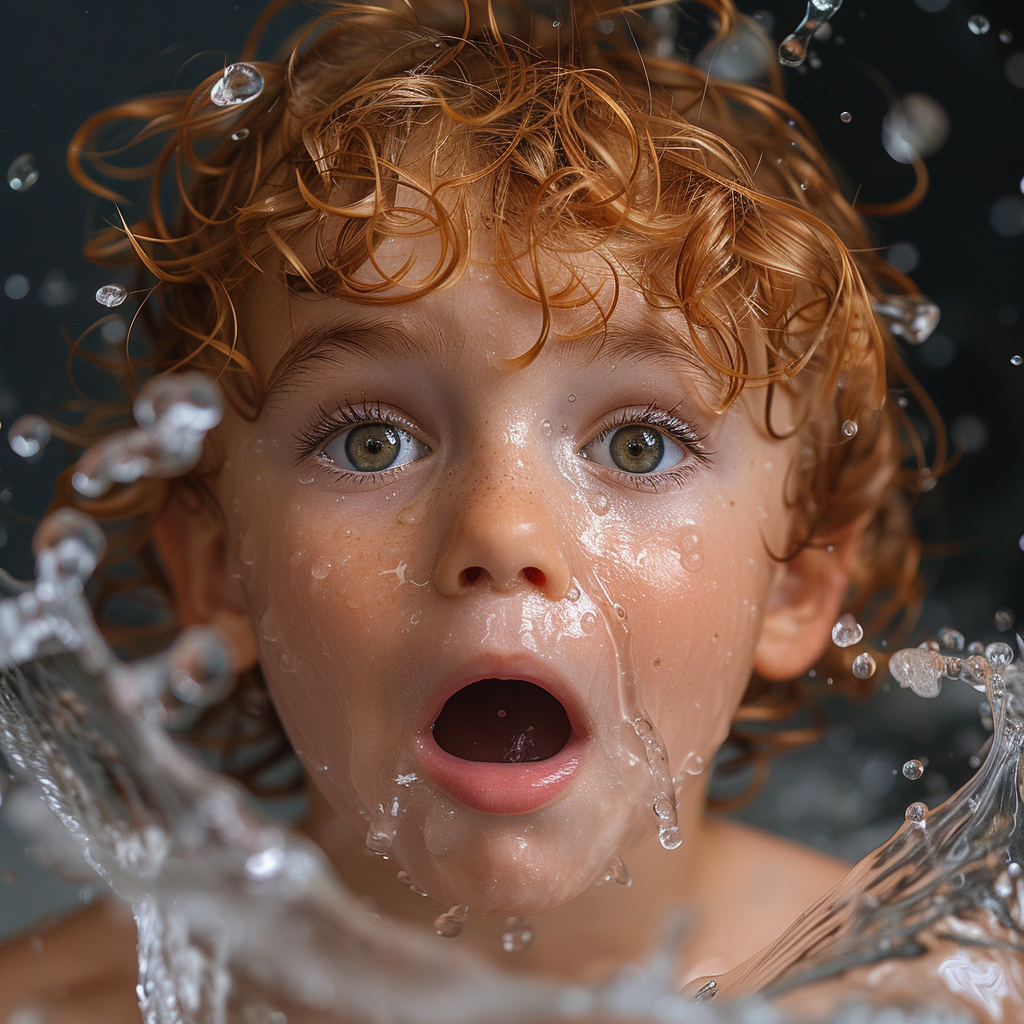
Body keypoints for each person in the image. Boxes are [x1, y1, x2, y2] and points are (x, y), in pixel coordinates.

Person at [0, 0, 938, 1019]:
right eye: (371, 443)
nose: (501, 531)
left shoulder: (942, 995)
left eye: (638, 444)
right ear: (221, 568)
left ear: (797, 579)